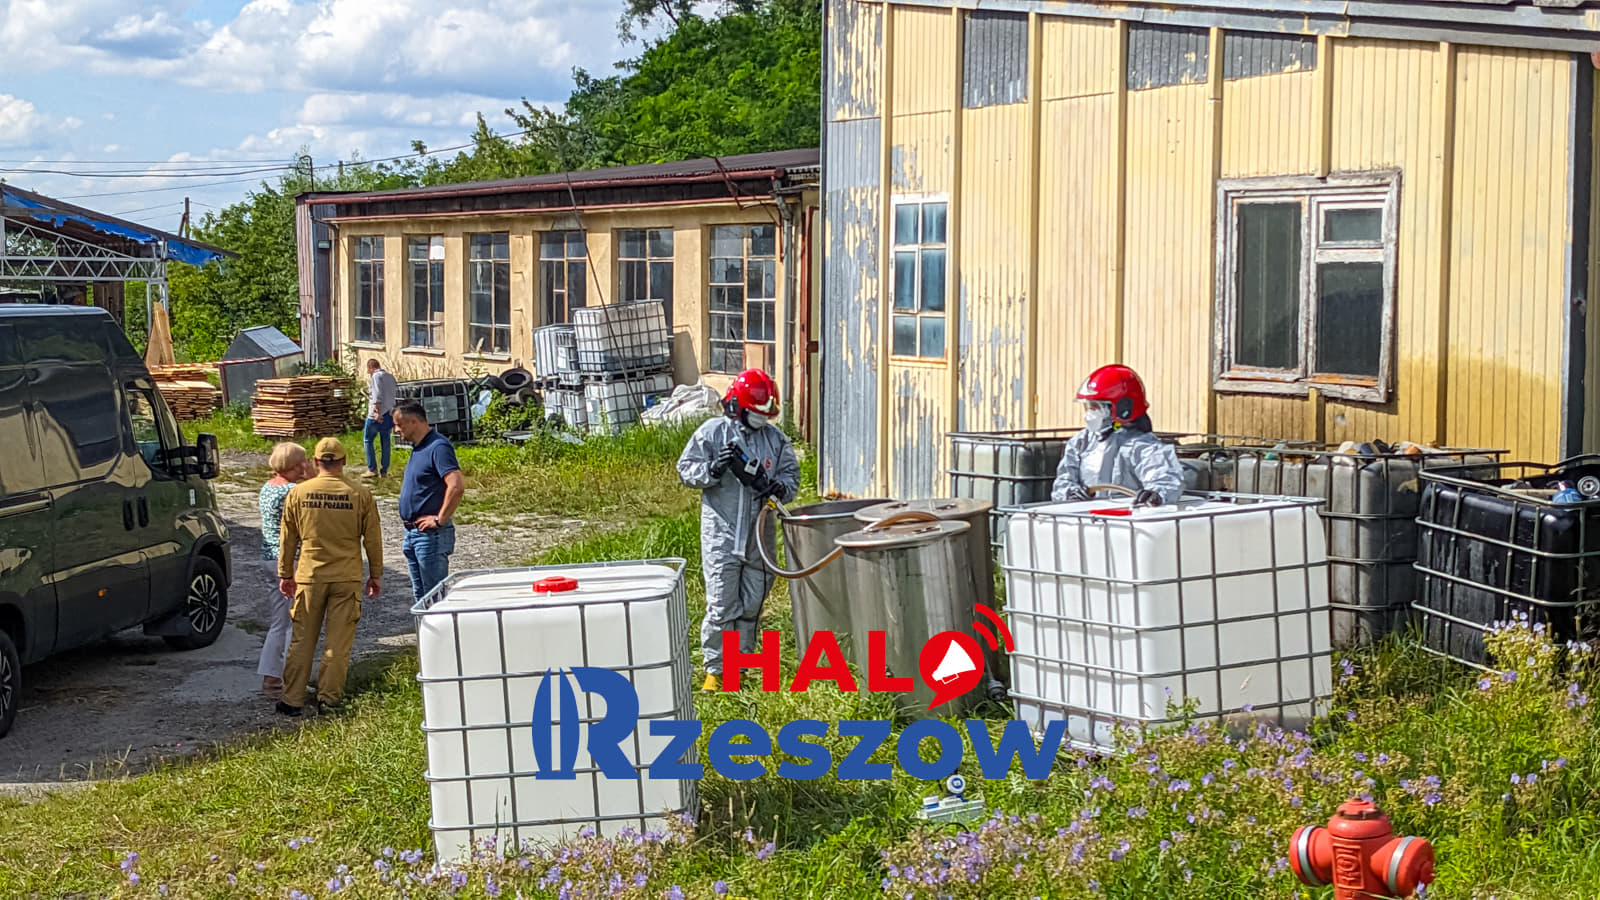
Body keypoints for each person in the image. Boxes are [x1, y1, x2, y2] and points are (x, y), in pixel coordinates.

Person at [676, 368, 800, 692]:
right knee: (722, 604)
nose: (762, 419)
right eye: (757, 413)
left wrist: (776, 486)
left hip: (760, 537)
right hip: (722, 534)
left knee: (752, 603)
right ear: (740, 406)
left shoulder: (775, 440)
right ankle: (716, 670)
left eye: (766, 415)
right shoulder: (712, 433)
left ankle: (740, 667)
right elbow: (686, 469)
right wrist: (713, 469)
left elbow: (791, 477)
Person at [275, 438, 383, 716]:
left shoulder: (298, 494)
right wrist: (376, 575)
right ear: (343, 461)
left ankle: (292, 699)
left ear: (315, 462)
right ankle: (329, 699)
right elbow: (373, 539)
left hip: (310, 576)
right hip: (346, 577)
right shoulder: (360, 494)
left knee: (302, 640)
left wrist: (285, 573)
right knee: (338, 643)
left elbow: (288, 538)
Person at [1051, 364, 1184, 507]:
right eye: (1087, 407)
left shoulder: (1143, 447)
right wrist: (1070, 493)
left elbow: (1165, 480)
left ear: (1121, 408)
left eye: (1095, 407)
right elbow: (1063, 481)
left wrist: (1155, 495)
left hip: (1128, 518)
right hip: (1084, 518)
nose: (1089, 414)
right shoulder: (1080, 442)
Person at [394, 399, 465, 604]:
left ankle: (440, 627)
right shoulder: (418, 448)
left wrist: (439, 519)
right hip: (413, 533)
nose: (396, 430)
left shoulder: (438, 447)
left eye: (399, 425)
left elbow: (456, 485)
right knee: (421, 598)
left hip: (430, 536)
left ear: (414, 422)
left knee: (434, 598)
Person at [257, 442, 313, 698]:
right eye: (303, 461)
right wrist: (312, 477)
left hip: (269, 558)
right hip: (290, 562)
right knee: (295, 622)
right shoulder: (292, 491)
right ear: (295, 465)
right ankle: (291, 677)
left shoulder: (268, 487)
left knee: (279, 622)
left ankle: (271, 678)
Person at [362, 358, 398, 479]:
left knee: (368, 440)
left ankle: (372, 469)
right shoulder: (390, 377)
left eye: (368, 370)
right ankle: (384, 470)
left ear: (371, 367)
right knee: (385, 441)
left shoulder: (376, 376)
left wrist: (376, 412)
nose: (368, 373)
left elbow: (377, 394)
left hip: (377, 414)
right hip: (389, 413)